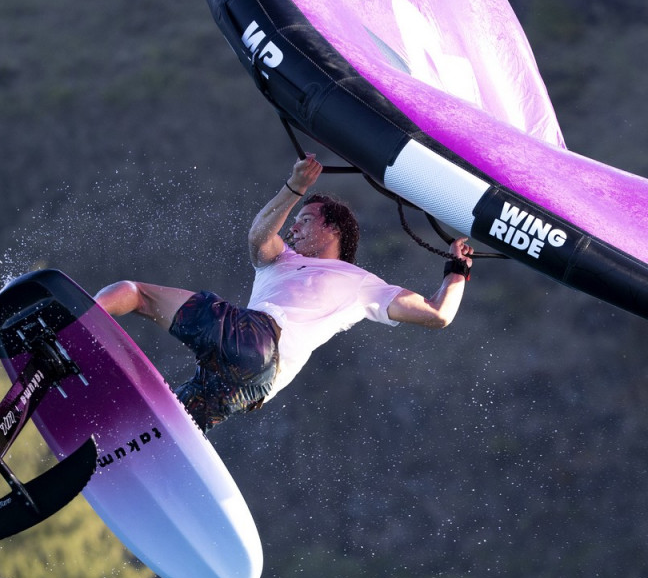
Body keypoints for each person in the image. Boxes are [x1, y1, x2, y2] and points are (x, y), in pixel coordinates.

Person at [96, 154, 473, 432]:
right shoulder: (278, 259)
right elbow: (258, 235)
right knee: (167, 423)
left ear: (333, 229)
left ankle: (75, 324)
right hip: (253, 384)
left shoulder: (363, 284)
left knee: (136, 293)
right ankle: (119, 439)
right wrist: (294, 188)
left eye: (304, 220)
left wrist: (457, 270)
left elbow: (438, 314)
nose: (293, 229)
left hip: (256, 344)